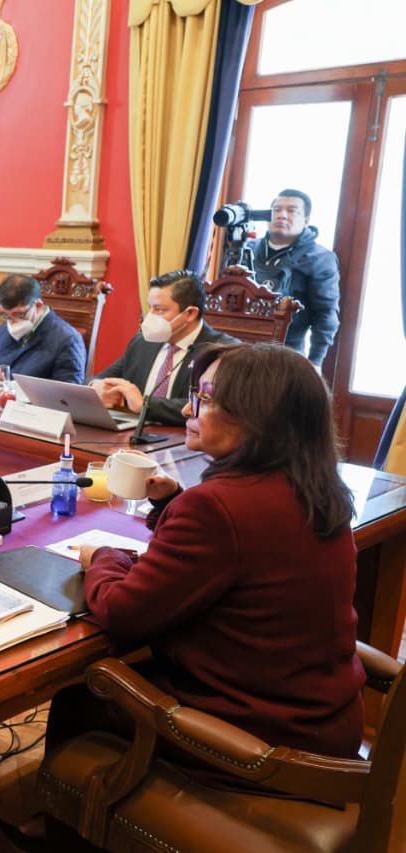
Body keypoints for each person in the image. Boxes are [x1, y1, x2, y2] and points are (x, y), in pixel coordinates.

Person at [67, 343, 364, 761]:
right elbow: (244, 556)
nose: (187, 410)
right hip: (322, 723)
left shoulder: (216, 507)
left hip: (256, 743)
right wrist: (173, 504)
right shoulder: (316, 488)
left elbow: (122, 613)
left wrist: (103, 557)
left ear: (257, 417)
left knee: (81, 695)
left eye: (205, 400)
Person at [89, 269, 237, 426]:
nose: (150, 317)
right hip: (134, 431)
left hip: (186, 435)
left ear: (190, 314)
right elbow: (100, 378)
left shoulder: (223, 352)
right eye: (150, 308)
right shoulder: (142, 342)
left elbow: (213, 405)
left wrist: (146, 405)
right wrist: (95, 387)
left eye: (159, 310)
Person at [247, 189, 341, 366]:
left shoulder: (320, 258)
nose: (281, 215)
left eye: (292, 211)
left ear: (306, 220)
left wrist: (315, 362)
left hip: (286, 354)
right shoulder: (247, 249)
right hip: (237, 346)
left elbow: (326, 314)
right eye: (276, 210)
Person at [0, 274, 86, 383]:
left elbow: (67, 390)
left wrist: (11, 387)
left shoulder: (67, 340)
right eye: (5, 315)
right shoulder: (3, 330)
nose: (11, 322)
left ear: (38, 306)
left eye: (19, 314)